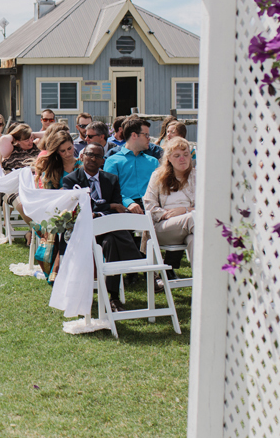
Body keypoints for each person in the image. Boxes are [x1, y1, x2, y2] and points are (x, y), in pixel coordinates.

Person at [63, 143, 142, 305]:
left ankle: (112, 296)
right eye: (89, 154)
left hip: (107, 230)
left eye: (98, 156)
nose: (93, 159)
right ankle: (137, 258)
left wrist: (104, 209)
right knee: (115, 232)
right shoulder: (71, 180)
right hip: (83, 230)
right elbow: (77, 209)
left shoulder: (111, 180)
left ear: (102, 161)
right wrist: (109, 206)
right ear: (82, 156)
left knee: (112, 241)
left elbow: (119, 207)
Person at [143, 136, 196, 275]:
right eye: (177, 156)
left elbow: (206, 206)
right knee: (194, 218)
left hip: (189, 227)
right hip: (163, 226)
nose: (182, 159)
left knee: (195, 240)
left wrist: (184, 210)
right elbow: (149, 206)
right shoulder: (157, 176)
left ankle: (201, 283)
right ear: (169, 159)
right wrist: (167, 214)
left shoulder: (197, 176)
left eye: (185, 155)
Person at [31, 129, 80, 280]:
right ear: (56, 152)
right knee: (61, 227)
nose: (67, 153)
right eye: (62, 151)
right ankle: (59, 271)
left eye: (69, 149)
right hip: (57, 212)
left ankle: (65, 272)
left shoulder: (82, 166)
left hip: (80, 210)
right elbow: (47, 196)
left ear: (73, 145)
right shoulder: (52, 170)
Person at [103, 117, 160, 213]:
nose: (149, 138)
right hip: (124, 209)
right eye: (146, 135)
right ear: (134, 135)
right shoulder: (112, 161)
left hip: (152, 208)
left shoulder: (153, 162)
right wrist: (128, 203)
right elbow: (110, 191)